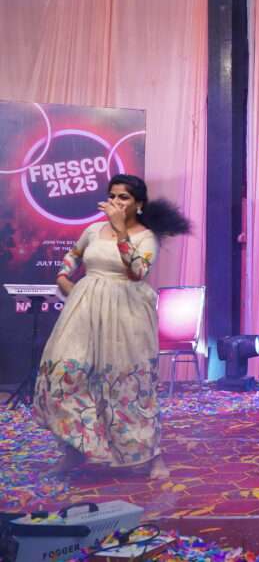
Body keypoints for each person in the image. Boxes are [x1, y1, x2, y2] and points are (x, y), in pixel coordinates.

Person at [34, 174, 191, 479]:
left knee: (127, 386)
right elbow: (74, 255)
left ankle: (151, 455)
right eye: (113, 196)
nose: (116, 202)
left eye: (124, 197)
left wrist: (121, 231)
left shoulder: (146, 237)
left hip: (126, 313)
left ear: (139, 204)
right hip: (85, 309)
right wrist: (63, 277)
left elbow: (137, 272)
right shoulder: (93, 230)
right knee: (65, 373)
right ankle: (76, 448)